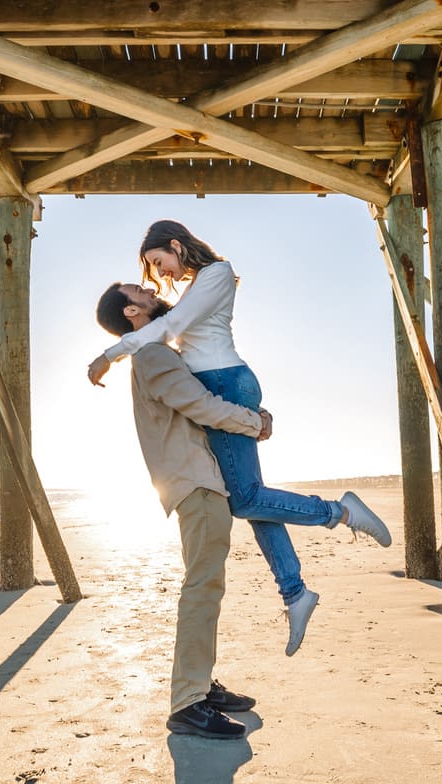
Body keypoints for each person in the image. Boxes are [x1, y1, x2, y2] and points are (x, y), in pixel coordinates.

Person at [89, 219, 392, 658]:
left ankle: (340, 513)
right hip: (222, 384)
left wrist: (108, 355)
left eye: (160, 263)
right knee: (250, 496)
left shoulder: (215, 274)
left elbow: (168, 331)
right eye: (152, 272)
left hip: (225, 382)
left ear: (176, 244)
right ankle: (295, 592)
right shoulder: (195, 286)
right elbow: (169, 333)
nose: (161, 276)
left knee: (243, 499)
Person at [95, 281, 266, 740]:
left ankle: (199, 685)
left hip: (194, 481)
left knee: (206, 588)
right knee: (201, 589)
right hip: (196, 484)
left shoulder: (151, 352)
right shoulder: (152, 355)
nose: (151, 288)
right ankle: (189, 702)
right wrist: (254, 423)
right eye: (140, 290)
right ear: (133, 311)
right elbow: (199, 405)